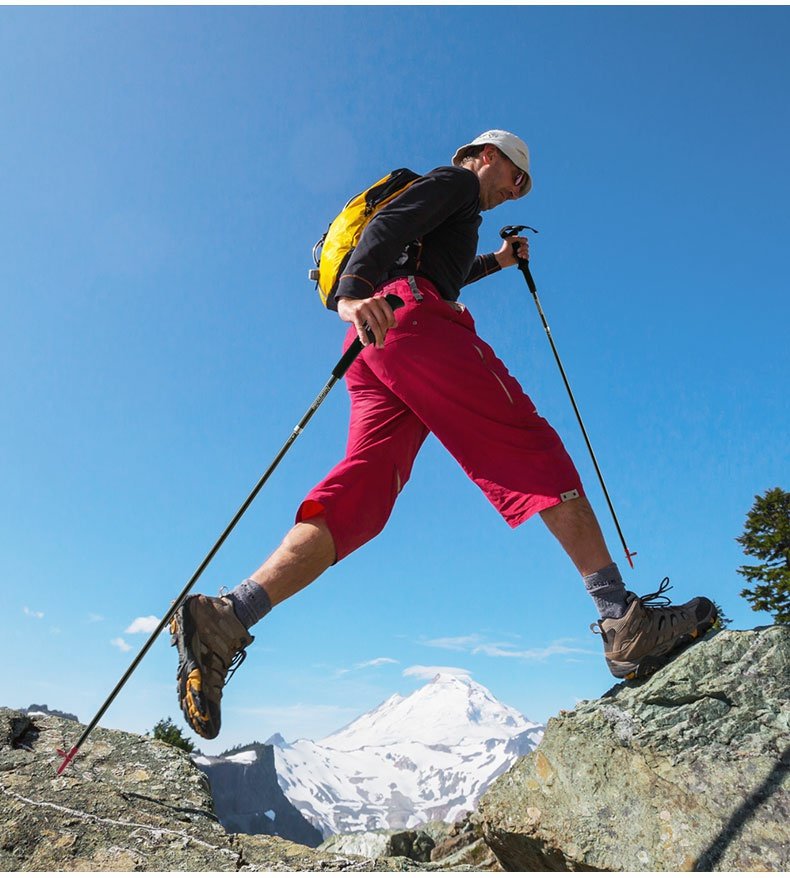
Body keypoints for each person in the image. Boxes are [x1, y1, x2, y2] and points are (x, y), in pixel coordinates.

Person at [171, 129, 717, 740]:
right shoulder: (455, 181)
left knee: (363, 497)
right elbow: (393, 228)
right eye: (517, 176)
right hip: (407, 319)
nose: (517, 191)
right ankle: (622, 619)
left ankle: (229, 614)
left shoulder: (458, 217)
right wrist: (353, 292)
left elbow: (434, 265)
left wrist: (499, 263)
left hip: (378, 341)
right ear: (487, 156)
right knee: (526, 441)